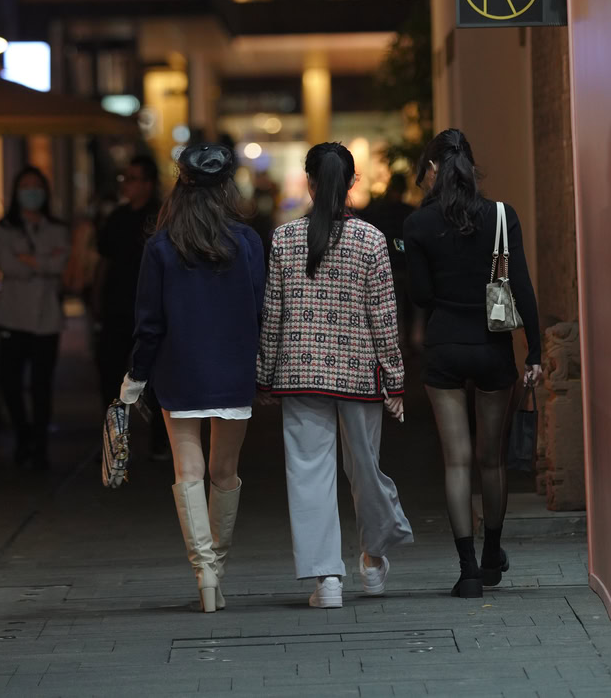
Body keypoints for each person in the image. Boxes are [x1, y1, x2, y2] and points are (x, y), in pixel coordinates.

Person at [257, 141, 413, 609]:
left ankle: (326, 579)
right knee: (364, 468)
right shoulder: (371, 240)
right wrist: (395, 378)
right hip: (359, 374)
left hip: (299, 371)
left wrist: (265, 374)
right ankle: (372, 558)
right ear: (351, 182)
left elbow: (272, 313)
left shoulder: (284, 239)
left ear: (309, 182)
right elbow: (383, 315)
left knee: (309, 471)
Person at [121, 144, 265, 613]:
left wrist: (136, 376)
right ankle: (215, 569)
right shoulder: (247, 242)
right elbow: (261, 311)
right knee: (225, 472)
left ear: (179, 188)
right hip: (235, 368)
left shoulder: (161, 246)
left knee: (187, 472)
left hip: (179, 368)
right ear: (226, 189)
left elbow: (149, 323)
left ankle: (204, 574)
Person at [402, 128, 542, 598]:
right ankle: (491, 555)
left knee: (456, 461)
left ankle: (466, 572)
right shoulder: (501, 215)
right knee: (491, 460)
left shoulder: (418, 225)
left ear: (433, 169)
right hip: (492, 347)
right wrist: (535, 351)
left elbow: (421, 295)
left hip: (444, 345)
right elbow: (521, 286)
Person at [0, 166, 69, 469]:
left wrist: (28, 260)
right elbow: (9, 266)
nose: (32, 192)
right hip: (13, 316)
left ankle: (39, 445)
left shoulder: (57, 228)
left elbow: (59, 265)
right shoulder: (3, 229)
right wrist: (43, 262)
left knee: (41, 385)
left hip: (46, 318)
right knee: (10, 382)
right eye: (26, 186)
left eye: (37, 186)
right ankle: (23, 435)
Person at [93, 153, 169, 459]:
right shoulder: (117, 218)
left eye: (133, 179)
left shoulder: (162, 216)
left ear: (149, 184)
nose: (126, 184)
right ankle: (115, 441)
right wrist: (97, 297)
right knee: (110, 374)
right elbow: (104, 260)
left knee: (155, 378)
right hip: (117, 306)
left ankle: (160, 439)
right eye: (125, 178)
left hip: (151, 309)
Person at [366, 171, 414, 353]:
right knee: (406, 306)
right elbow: (405, 242)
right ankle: (407, 340)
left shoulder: (378, 211)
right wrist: (401, 248)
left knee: (387, 307)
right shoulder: (408, 212)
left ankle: (390, 342)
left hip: (384, 266)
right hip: (404, 265)